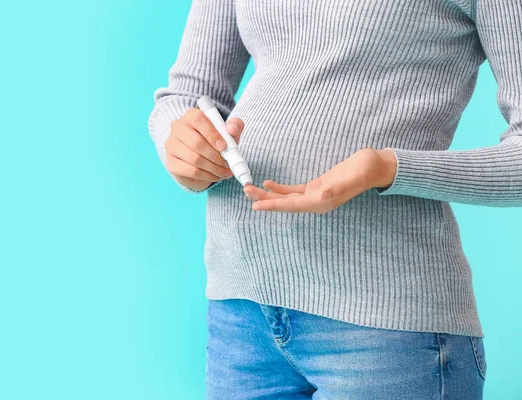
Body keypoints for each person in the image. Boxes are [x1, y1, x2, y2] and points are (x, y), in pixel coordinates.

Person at [148, 0, 520, 398]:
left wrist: (388, 168)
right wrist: (183, 145)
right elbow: (187, 94)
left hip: (386, 329)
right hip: (240, 310)